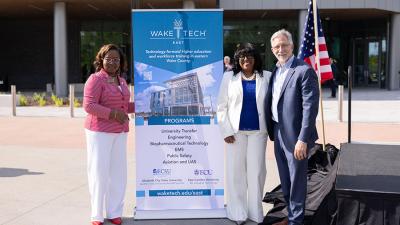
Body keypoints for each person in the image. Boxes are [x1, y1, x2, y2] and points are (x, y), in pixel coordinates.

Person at [265, 29, 319, 225]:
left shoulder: (304, 71)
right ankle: (290, 215)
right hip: (278, 132)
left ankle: (296, 221)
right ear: (272, 50)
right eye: (277, 46)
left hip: (296, 136)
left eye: (284, 45)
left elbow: (310, 108)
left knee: (296, 180)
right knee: (285, 179)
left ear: (292, 46)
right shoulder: (276, 71)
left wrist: (303, 139)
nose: (281, 49)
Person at [217, 43, 271, 225]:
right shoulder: (228, 78)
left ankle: (255, 213)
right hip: (235, 133)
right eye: (242, 57)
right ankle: (237, 212)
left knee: (256, 173)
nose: (246, 60)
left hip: (258, 132)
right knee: (235, 173)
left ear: (256, 59)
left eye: (249, 57)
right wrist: (225, 130)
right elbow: (221, 106)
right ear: (237, 60)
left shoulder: (267, 77)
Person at [83, 44, 135, 225]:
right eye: (109, 59)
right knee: (99, 173)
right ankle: (96, 215)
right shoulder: (95, 79)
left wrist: (140, 106)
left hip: (120, 132)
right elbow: (89, 106)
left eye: (116, 60)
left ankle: (114, 212)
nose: (113, 63)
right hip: (99, 132)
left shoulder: (121, 81)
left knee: (118, 173)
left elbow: (123, 106)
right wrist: (113, 114)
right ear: (101, 60)